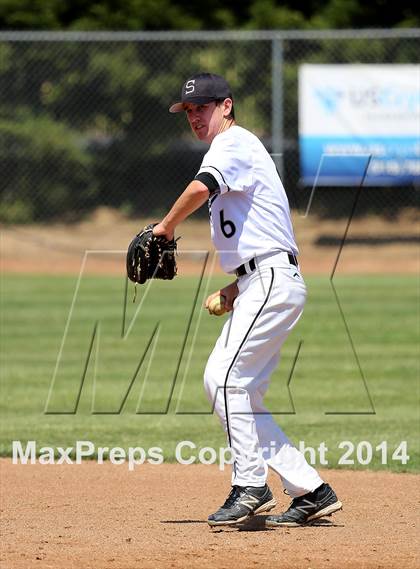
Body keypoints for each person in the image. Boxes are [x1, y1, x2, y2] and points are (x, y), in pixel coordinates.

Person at [153, 72, 342, 527]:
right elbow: (264, 232)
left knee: (223, 378)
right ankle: (310, 490)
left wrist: (164, 228)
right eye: (190, 110)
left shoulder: (233, 144)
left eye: (204, 107)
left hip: (272, 280)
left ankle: (250, 485)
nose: (196, 116)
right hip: (263, 280)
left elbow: (201, 187)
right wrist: (236, 287)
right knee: (240, 395)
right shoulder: (234, 149)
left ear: (227, 106)